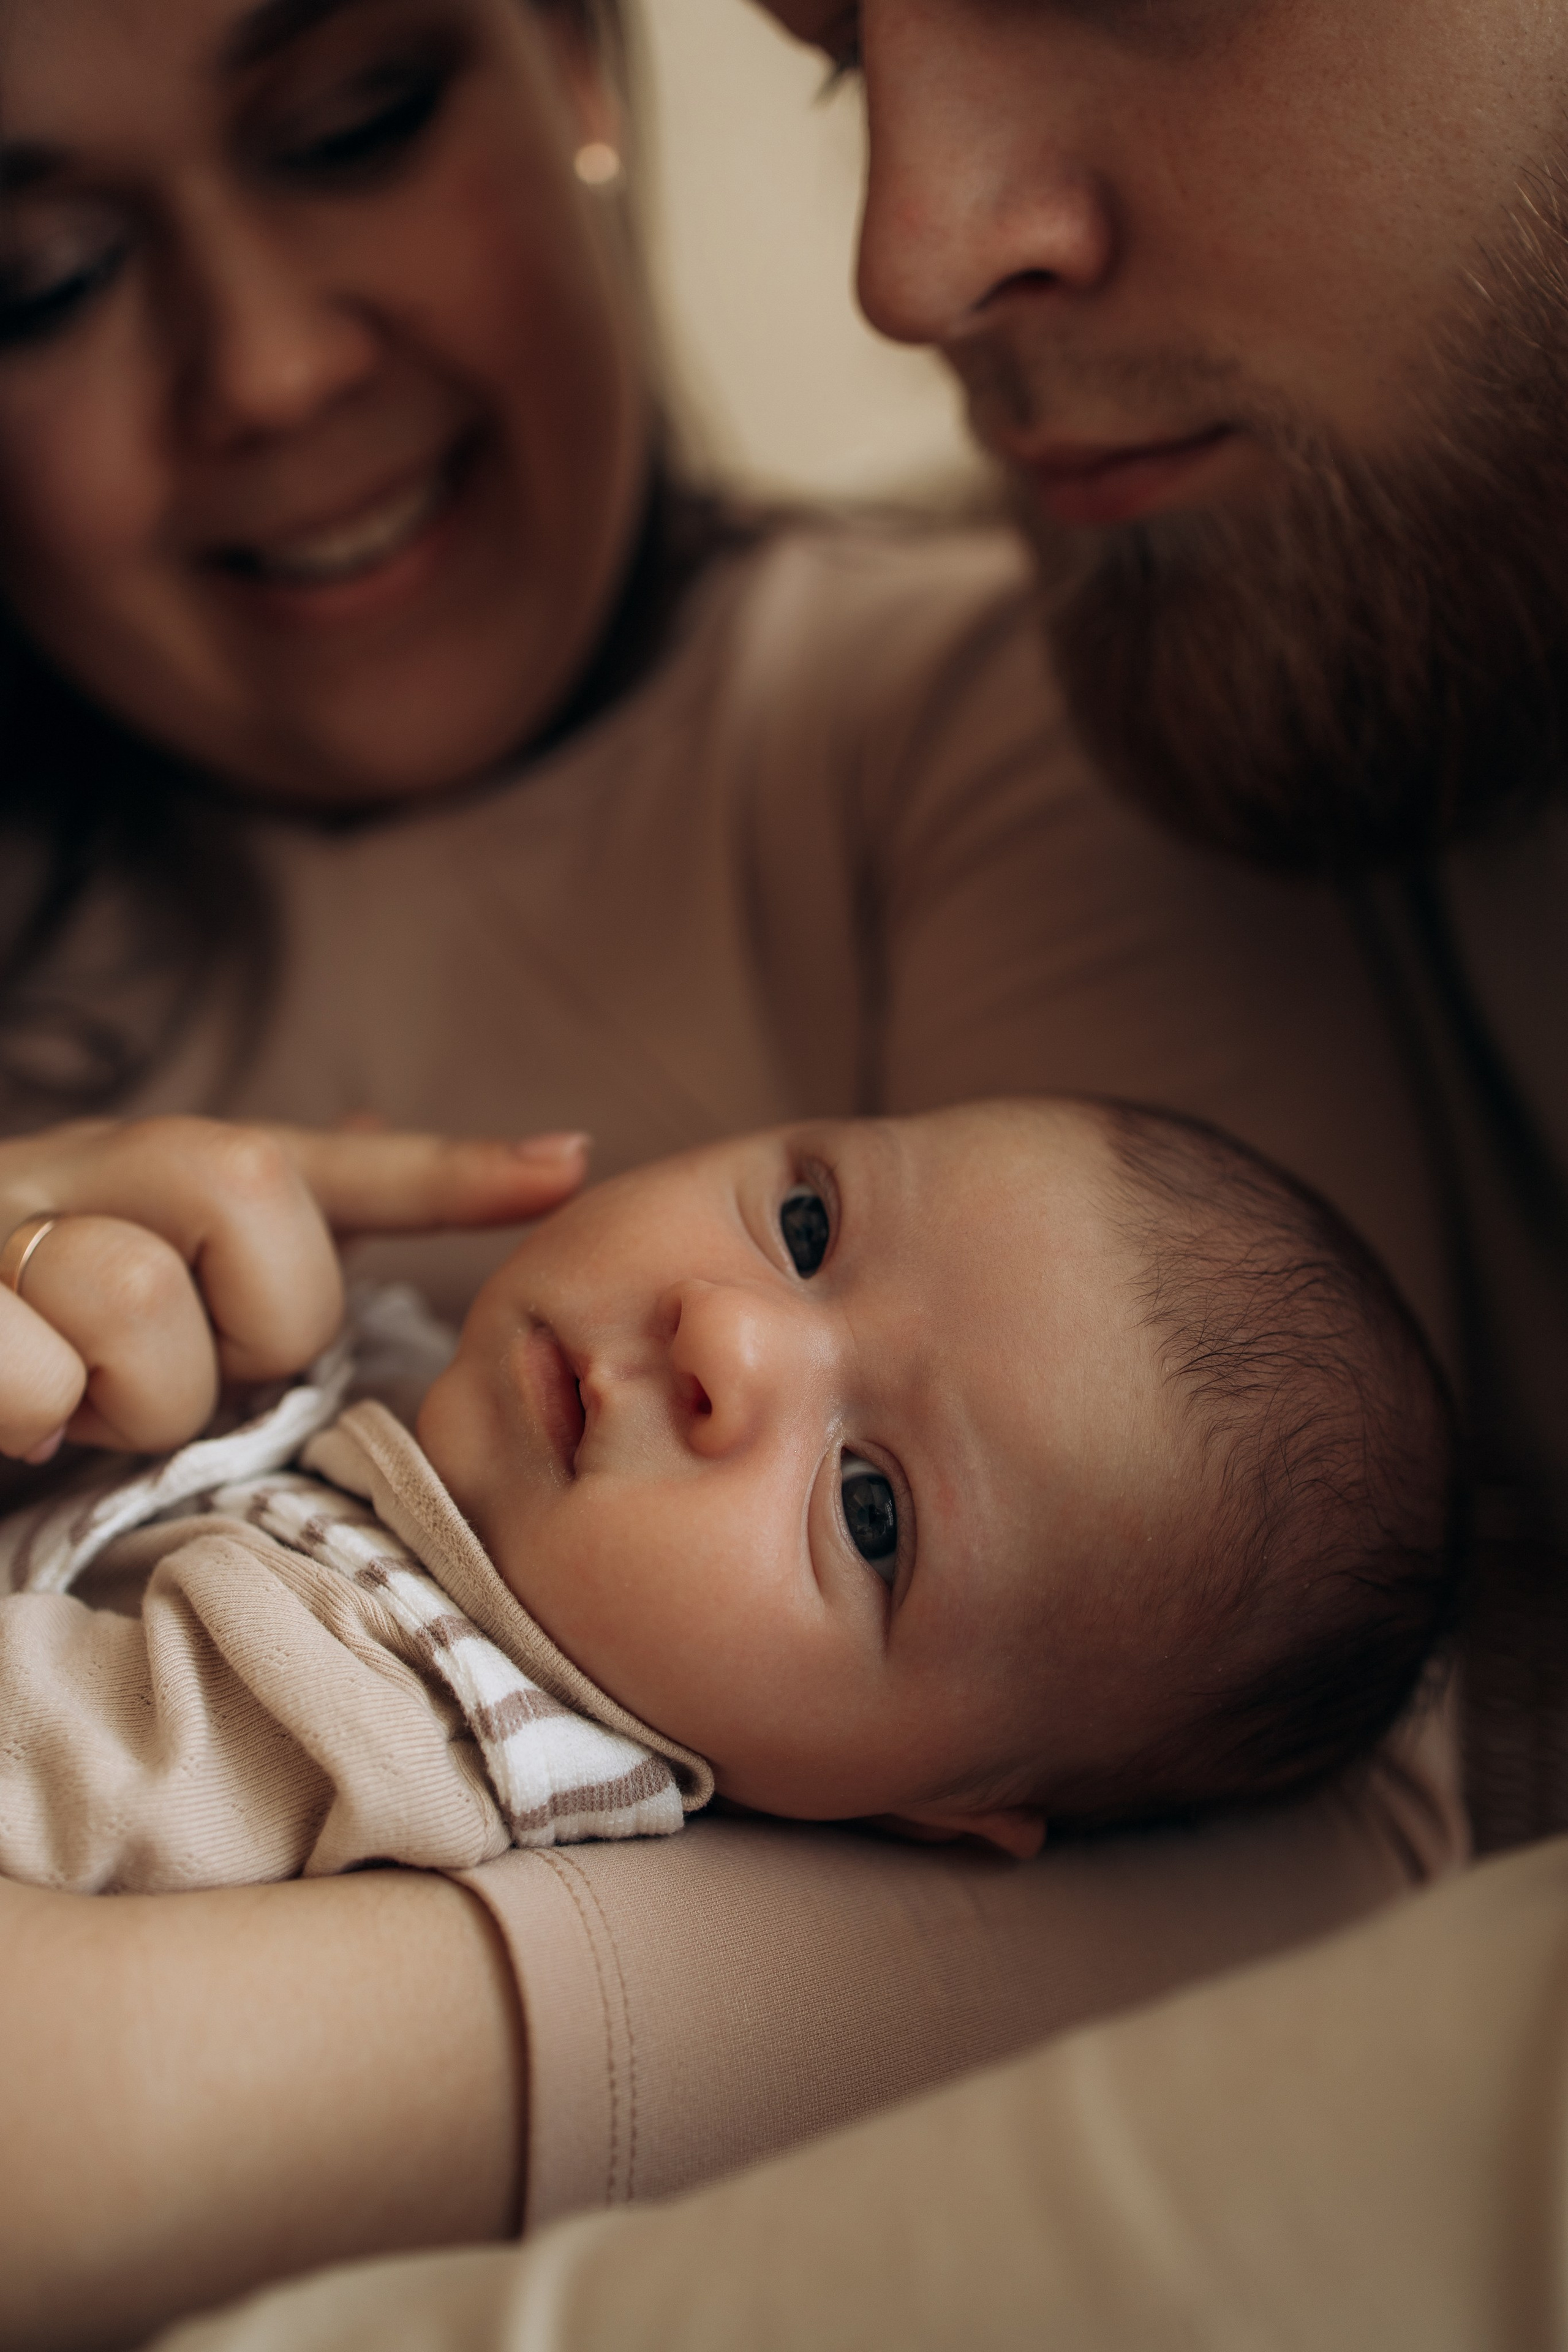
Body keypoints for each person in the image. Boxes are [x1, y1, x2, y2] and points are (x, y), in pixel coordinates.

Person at [0, 0, 1477, 2342]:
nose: (268, 371)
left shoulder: (963, 741)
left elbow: (1337, 1853)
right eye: (43, 279)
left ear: (586, 68)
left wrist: (106, 2102)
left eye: (360, 121)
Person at [0, 1100, 1457, 1894]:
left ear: (934, 1811)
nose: (726, 1335)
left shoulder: (386, 1721)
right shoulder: (381, 1375)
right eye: (806, 1228)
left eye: (869, 1510)